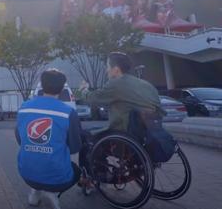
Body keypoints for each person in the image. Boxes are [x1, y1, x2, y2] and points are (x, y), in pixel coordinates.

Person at [78, 52, 163, 186]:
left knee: (84, 137)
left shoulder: (116, 84)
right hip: (147, 136)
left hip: (123, 135)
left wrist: (84, 90)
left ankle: (91, 177)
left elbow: (93, 98)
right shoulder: (146, 85)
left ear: (116, 69)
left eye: (107, 66)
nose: (106, 70)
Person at [15, 69, 82, 209]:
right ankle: (53, 194)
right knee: (76, 171)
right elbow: (75, 147)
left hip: (26, 173)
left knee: (39, 169)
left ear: (42, 85)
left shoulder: (23, 108)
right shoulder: (68, 112)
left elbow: (20, 139)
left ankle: (35, 191)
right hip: (57, 178)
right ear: (62, 88)